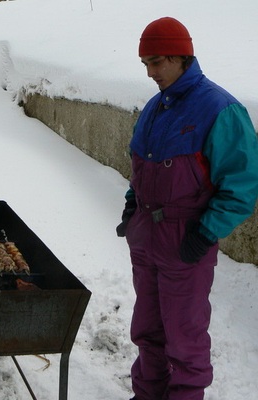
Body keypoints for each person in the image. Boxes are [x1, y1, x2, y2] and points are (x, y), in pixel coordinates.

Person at [116, 17, 258, 400]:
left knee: (184, 336)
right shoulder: (154, 107)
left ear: (181, 56)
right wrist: (132, 208)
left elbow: (242, 185)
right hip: (147, 237)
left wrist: (207, 231)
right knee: (147, 329)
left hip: (185, 240)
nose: (150, 72)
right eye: (144, 63)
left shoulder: (220, 110)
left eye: (157, 61)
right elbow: (140, 167)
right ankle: (147, 394)